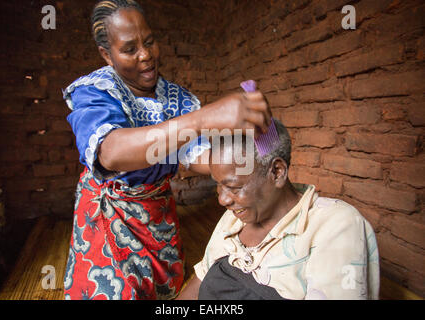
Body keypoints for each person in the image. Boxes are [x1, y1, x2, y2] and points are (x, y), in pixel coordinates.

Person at [62, 0, 271, 300]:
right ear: (106, 55)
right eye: (130, 49)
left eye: (149, 42)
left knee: (166, 293)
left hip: (158, 214)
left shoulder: (177, 99)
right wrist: (204, 119)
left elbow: (195, 155)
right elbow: (111, 151)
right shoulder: (95, 92)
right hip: (108, 216)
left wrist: (241, 159)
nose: (146, 55)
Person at [177, 119, 380, 300]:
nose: (222, 199)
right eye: (219, 185)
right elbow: (201, 278)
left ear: (277, 172)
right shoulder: (233, 220)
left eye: (234, 187)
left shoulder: (335, 226)